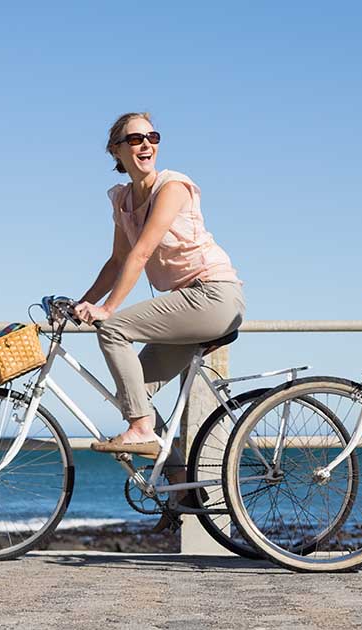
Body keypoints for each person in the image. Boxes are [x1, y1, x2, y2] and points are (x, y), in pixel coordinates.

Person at [74, 112, 245, 461]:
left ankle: (140, 430)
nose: (146, 145)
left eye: (152, 137)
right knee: (132, 392)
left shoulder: (172, 187)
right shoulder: (123, 201)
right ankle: (179, 485)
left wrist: (106, 311)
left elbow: (142, 252)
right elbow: (117, 261)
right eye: (135, 139)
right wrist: (82, 303)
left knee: (114, 330)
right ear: (115, 151)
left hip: (213, 295)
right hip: (188, 303)